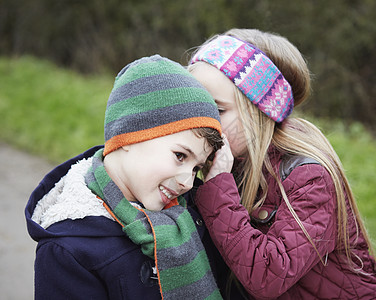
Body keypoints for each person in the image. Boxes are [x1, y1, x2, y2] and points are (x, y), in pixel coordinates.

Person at [187, 29, 376, 299]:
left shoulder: (309, 177)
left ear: (260, 111)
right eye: (194, 106)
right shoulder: (230, 159)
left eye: (218, 110)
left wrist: (218, 186)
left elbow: (266, 275)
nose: (201, 121)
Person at [25, 55, 227, 299]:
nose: (187, 182)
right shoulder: (68, 250)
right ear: (131, 135)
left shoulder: (190, 216)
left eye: (197, 168)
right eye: (180, 156)